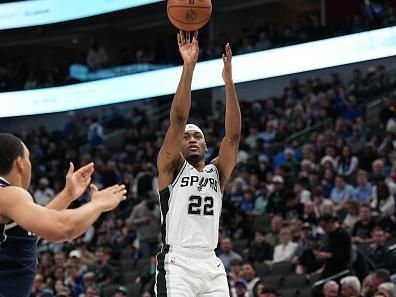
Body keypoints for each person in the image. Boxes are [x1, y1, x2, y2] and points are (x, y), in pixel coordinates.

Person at [155, 31, 241, 297]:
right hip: (177, 262)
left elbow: (233, 136)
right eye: (186, 137)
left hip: (211, 263)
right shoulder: (171, 167)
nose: (191, 139)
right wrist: (189, 66)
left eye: (198, 136)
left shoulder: (218, 172)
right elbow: (178, 119)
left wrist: (228, 83)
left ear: (205, 145)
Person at [0, 133, 127, 297]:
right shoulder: (9, 194)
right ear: (20, 163)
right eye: (28, 158)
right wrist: (98, 204)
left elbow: (30, 232)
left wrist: (68, 194)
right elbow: (63, 228)